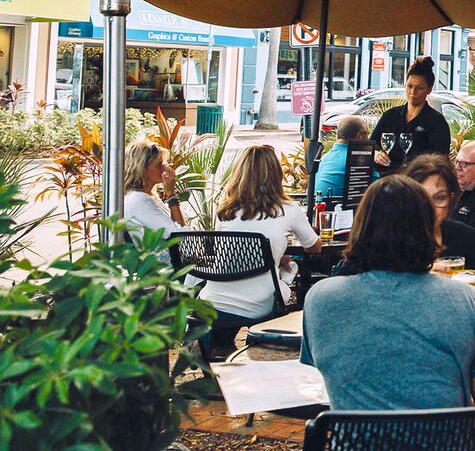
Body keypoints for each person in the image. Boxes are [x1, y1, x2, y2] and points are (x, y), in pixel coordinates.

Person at [302, 174, 475, 410]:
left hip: (355, 432)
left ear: (359, 228)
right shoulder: (465, 300)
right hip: (445, 432)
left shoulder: (320, 299)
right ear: (432, 232)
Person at [201, 145, 320, 351]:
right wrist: (279, 255)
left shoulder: (225, 211)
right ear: (276, 174)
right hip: (258, 304)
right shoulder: (288, 210)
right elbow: (314, 247)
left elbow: (236, 251)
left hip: (213, 301)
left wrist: (275, 255)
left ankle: (219, 347)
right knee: (288, 277)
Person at [403, 154, 475, 272]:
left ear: (451, 199)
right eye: (421, 198)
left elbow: (472, 281)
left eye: (439, 198)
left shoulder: (466, 238)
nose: (430, 208)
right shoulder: (391, 239)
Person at [371, 58, 450, 172]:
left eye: (419, 88)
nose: (413, 92)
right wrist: (376, 154)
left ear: (429, 89)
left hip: (417, 178)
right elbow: (371, 145)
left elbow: (440, 160)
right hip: (385, 176)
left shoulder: (436, 122)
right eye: (410, 86)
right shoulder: (390, 116)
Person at [122, 140, 184, 242]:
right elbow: (180, 236)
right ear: (142, 169)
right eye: (159, 165)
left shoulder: (148, 197)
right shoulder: (138, 200)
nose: (164, 168)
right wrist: (171, 195)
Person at [314, 115, 368, 200]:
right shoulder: (357, 159)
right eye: (367, 134)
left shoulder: (324, 158)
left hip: (317, 204)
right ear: (359, 136)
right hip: (341, 206)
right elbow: (378, 186)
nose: (368, 139)